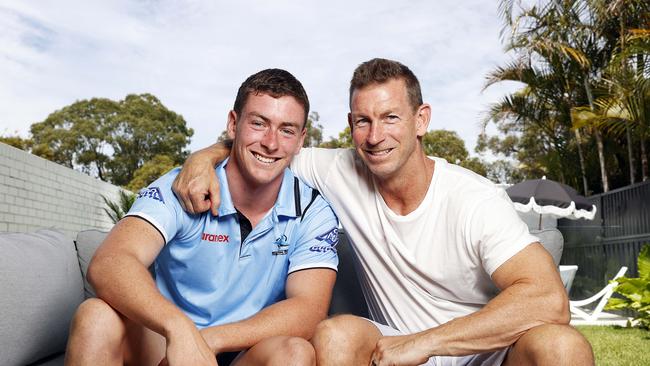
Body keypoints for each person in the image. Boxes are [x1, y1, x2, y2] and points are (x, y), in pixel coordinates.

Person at [172, 58, 594, 366]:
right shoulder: (338, 168)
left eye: (390, 117)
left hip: (485, 350)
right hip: (396, 347)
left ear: (420, 120)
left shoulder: (474, 200)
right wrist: (202, 158)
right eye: (362, 121)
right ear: (350, 124)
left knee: (563, 346)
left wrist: (427, 342)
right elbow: (263, 148)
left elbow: (548, 299)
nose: (375, 137)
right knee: (335, 332)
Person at [65, 69, 340, 366]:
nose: (271, 143)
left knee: (295, 353)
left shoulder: (313, 210)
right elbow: (110, 262)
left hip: (245, 351)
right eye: (259, 123)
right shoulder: (184, 185)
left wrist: (209, 340)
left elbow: (309, 308)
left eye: (286, 130)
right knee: (96, 316)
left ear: (300, 140)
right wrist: (179, 330)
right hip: (166, 346)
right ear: (233, 124)